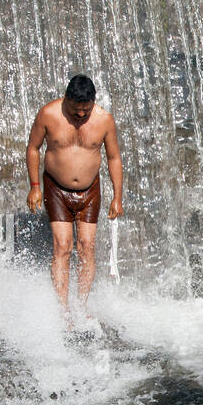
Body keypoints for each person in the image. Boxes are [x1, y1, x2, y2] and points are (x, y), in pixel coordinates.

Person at [26, 75, 123, 328]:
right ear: (66, 99)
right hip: (56, 188)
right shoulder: (48, 114)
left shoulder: (104, 120)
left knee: (87, 246)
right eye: (75, 109)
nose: (80, 115)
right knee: (63, 246)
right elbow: (33, 148)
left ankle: (81, 307)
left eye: (86, 110)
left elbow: (113, 157)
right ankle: (63, 310)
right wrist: (34, 187)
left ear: (93, 103)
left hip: (90, 190)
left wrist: (118, 196)